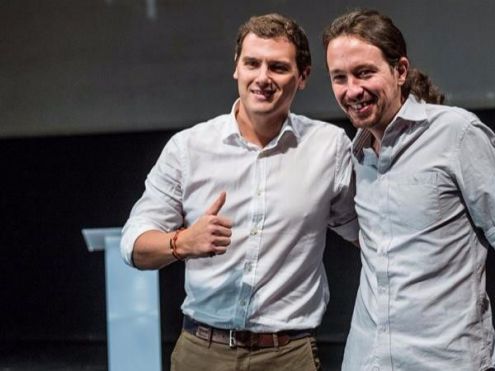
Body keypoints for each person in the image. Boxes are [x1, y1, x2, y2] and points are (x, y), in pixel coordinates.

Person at [120, 13, 358, 371]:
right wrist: (183, 242)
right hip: (202, 351)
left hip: (288, 355)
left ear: (303, 76)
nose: (262, 78)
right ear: (237, 68)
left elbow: (366, 229)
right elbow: (133, 245)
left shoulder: (329, 147)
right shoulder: (188, 149)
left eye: (277, 67)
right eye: (252, 63)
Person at [323, 9, 495, 371]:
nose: (352, 90)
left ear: (400, 71)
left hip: (447, 360)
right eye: (339, 78)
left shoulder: (457, 133)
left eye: (364, 73)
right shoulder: (355, 156)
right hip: (367, 360)